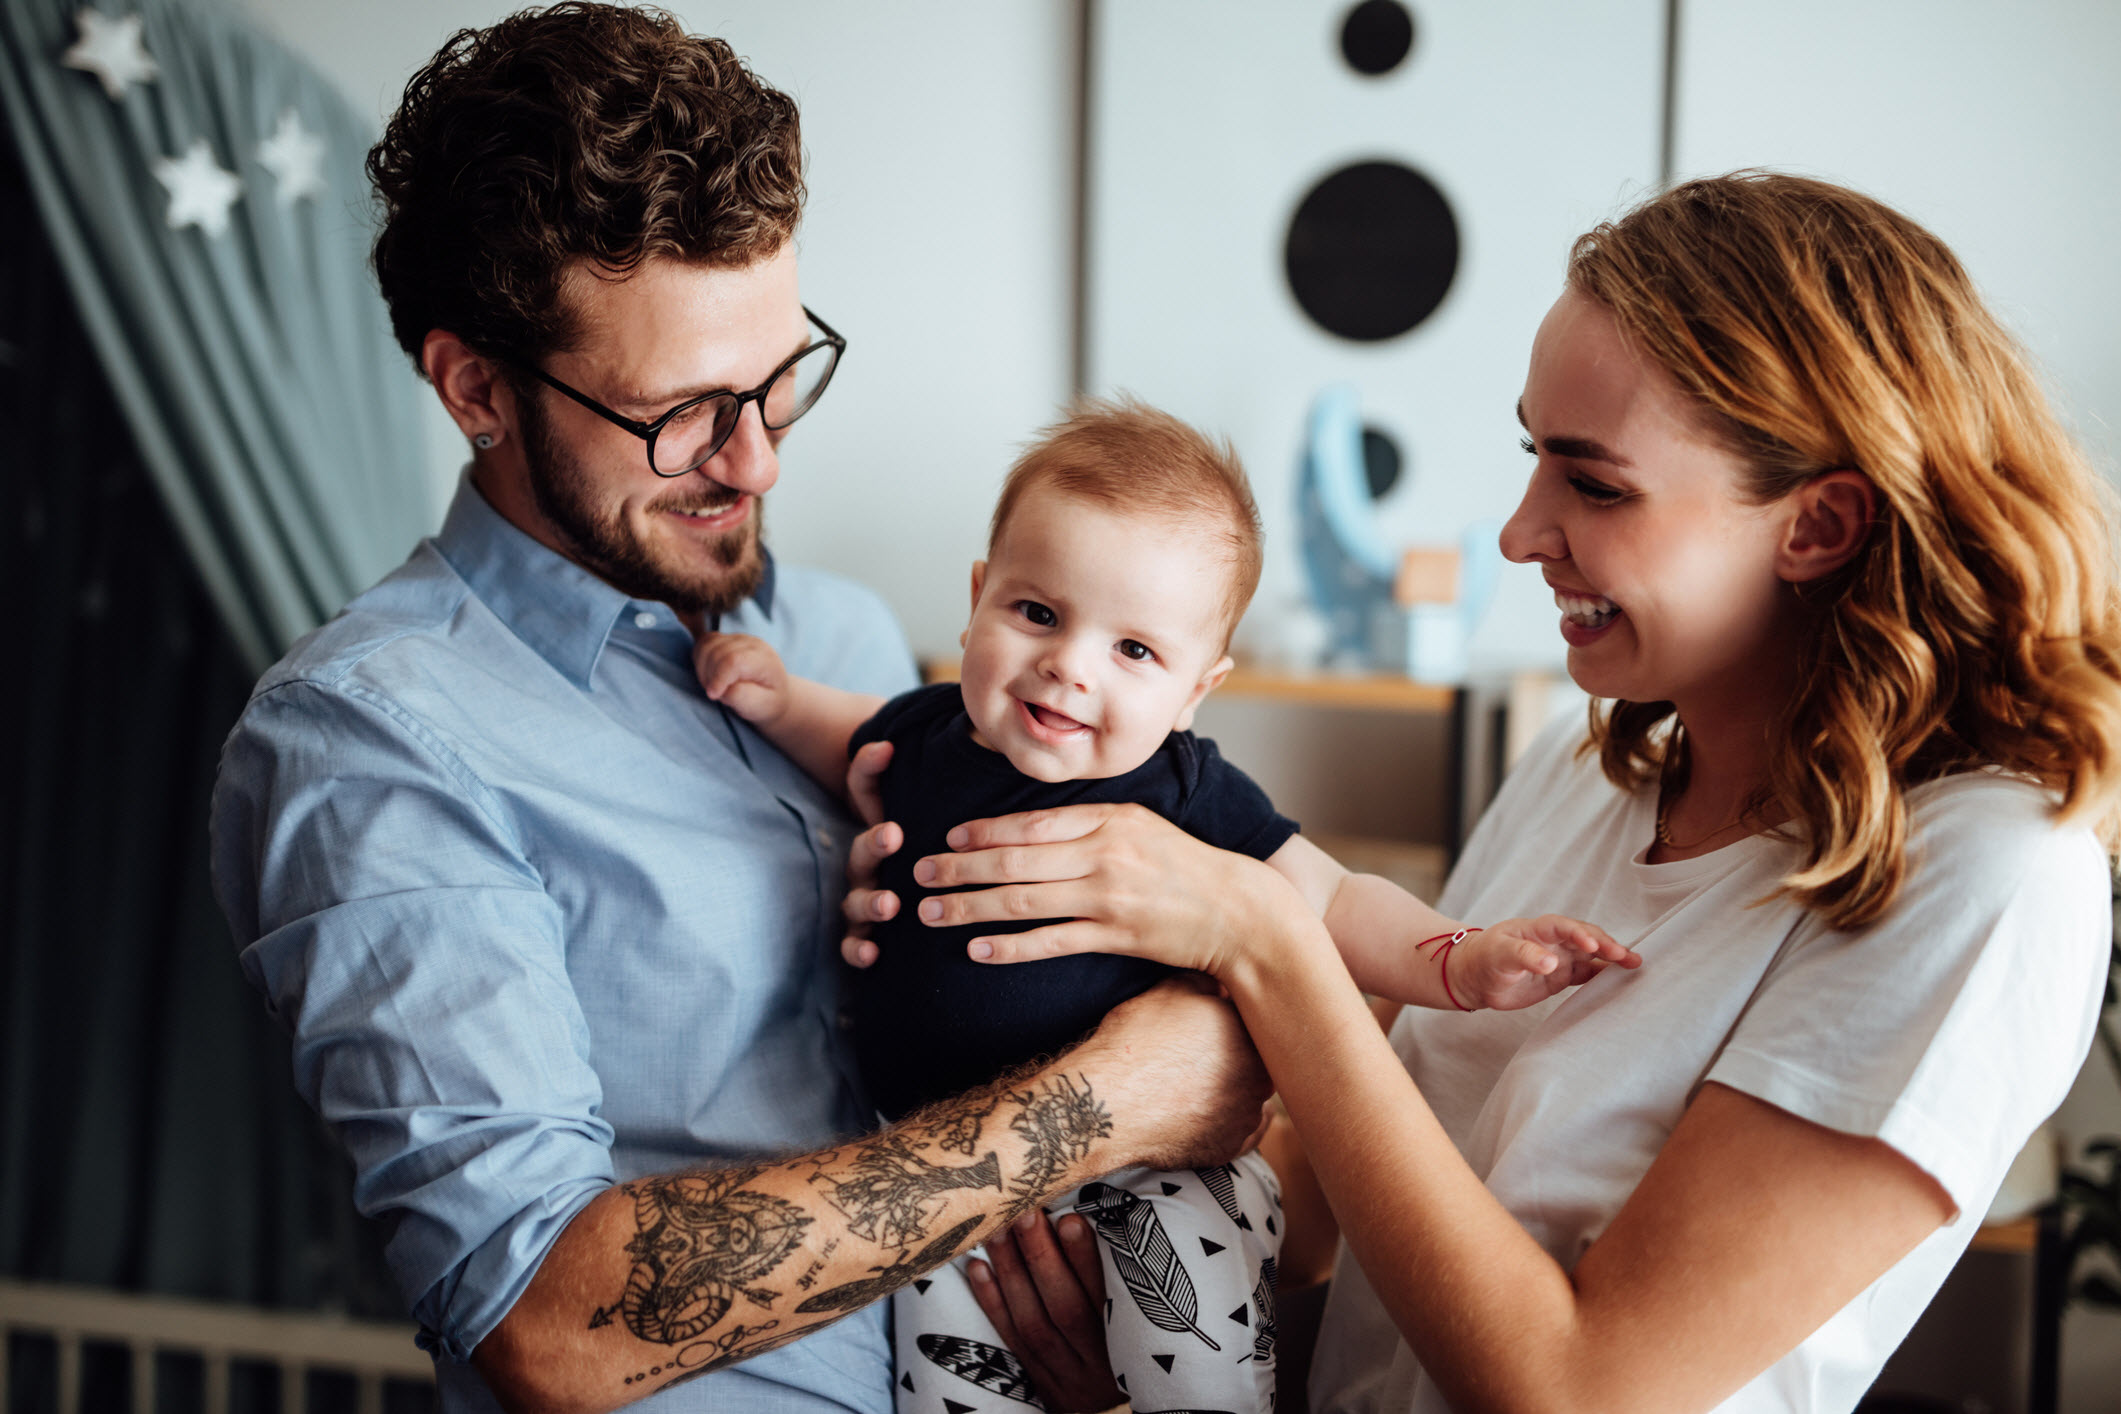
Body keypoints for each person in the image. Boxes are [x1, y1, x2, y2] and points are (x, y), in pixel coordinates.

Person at [884, 173, 2121, 1414]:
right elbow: (1332, 1217)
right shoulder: (1588, 766)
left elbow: (1579, 1391)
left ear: (1817, 525)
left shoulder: (1992, 874)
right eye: (1533, 458)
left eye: (1595, 484)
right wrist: (1152, 1317)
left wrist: (1263, 939)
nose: (1520, 534)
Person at [208, 9, 1274, 1414]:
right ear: (474, 386)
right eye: (684, 411)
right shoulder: (369, 739)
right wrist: (1103, 1104)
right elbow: (542, 1315)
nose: (757, 456)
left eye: (779, 378)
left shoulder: (836, 636)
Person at [693, 398, 1636, 1414]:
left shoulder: (1185, 790)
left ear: (1197, 689)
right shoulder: (928, 733)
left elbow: (1328, 895)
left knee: (1201, 1377)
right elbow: (850, 739)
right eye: (1037, 613)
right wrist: (781, 699)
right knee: (945, 1389)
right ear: (976, 601)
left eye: (1134, 651)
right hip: (942, 1182)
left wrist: (1458, 957)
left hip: (1155, 1168)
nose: (1070, 664)